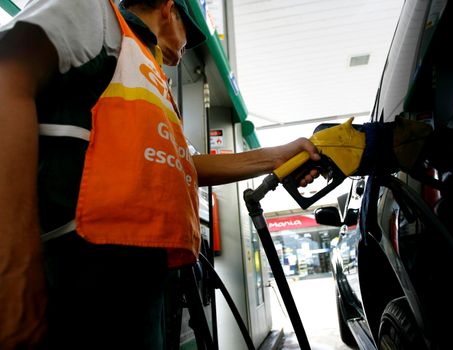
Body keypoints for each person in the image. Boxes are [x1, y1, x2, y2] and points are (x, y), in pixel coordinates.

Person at [0, 0, 320, 348]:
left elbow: (184, 164)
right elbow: (6, 71)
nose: (186, 46)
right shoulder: (98, 18)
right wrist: (14, 273)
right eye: (188, 33)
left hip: (137, 277)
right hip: (79, 274)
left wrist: (276, 156)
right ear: (169, 10)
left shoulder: (147, 72)